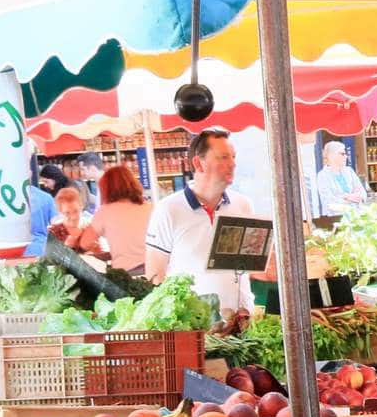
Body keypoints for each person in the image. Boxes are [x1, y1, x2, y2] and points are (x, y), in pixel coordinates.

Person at [143, 128, 264, 316]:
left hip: (241, 322)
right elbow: (155, 276)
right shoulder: (168, 209)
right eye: (223, 157)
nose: (232, 164)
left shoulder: (243, 205)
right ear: (198, 163)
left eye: (233, 156)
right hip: (194, 326)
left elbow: (247, 267)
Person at [93, 163, 154, 273]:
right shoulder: (150, 208)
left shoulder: (105, 211)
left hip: (127, 274)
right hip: (154, 269)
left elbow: (85, 243)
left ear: (105, 188)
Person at [315, 141, 369, 218]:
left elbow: (363, 194)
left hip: (357, 216)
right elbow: (329, 202)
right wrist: (349, 197)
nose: (346, 156)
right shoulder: (322, 175)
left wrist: (345, 197)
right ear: (332, 156)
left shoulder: (349, 171)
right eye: (342, 154)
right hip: (336, 219)